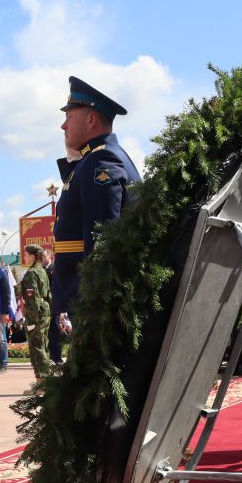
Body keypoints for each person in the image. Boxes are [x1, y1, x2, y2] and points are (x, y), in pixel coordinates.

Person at [51, 77, 140, 338]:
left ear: (91, 120)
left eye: (70, 116)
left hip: (90, 300)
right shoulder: (93, 158)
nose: (63, 125)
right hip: (83, 295)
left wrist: (94, 301)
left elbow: (103, 239)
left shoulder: (102, 159)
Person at [16, 244, 53, 380]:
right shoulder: (42, 270)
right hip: (45, 310)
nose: (24, 257)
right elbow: (48, 294)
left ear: (33, 256)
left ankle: (42, 381)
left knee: (36, 347)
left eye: (25, 254)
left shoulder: (32, 273)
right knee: (43, 345)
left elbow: (33, 298)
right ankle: (45, 378)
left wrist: (32, 318)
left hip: (36, 313)